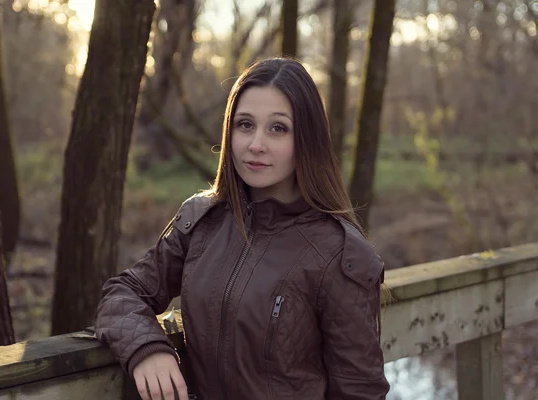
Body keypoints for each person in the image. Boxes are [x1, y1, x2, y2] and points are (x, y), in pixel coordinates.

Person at [95, 57, 390, 400]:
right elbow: (123, 292)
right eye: (245, 125)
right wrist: (147, 348)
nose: (256, 145)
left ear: (307, 139)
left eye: (278, 128)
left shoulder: (340, 254)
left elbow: (360, 393)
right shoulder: (202, 220)